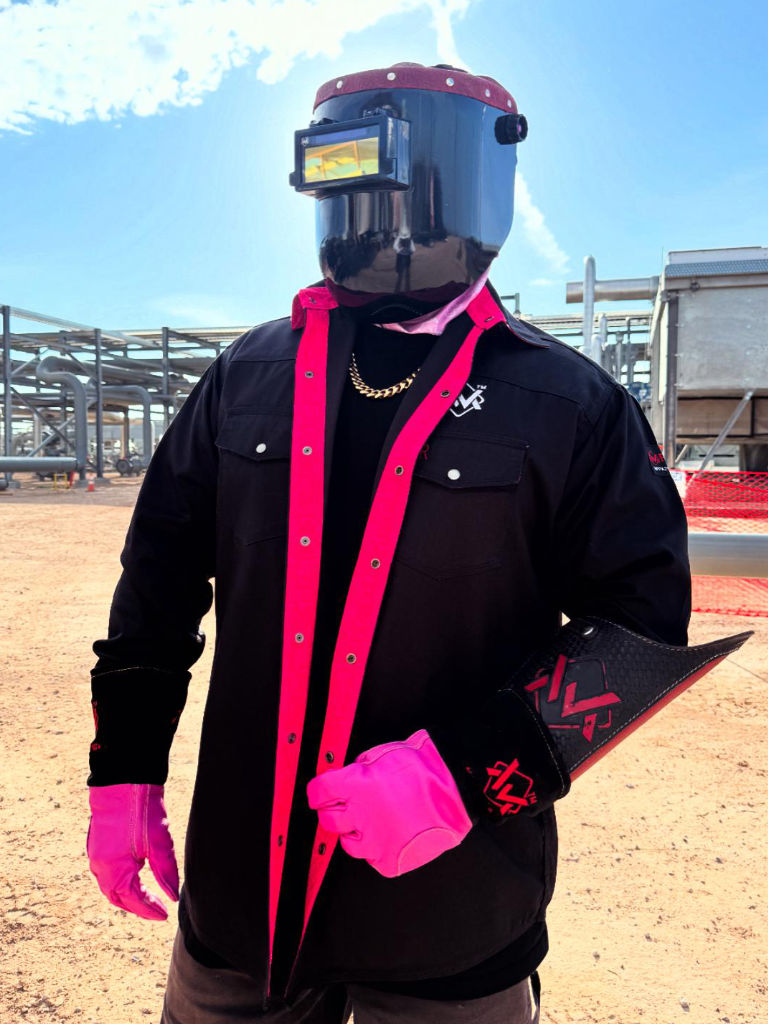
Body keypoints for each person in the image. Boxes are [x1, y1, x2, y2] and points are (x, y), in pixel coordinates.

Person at [85, 63, 746, 1024]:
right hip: (241, 901)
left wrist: (468, 772)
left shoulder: (569, 402)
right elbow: (156, 586)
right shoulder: (246, 375)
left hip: (452, 910)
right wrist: (126, 772)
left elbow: (638, 626)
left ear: (469, 176)